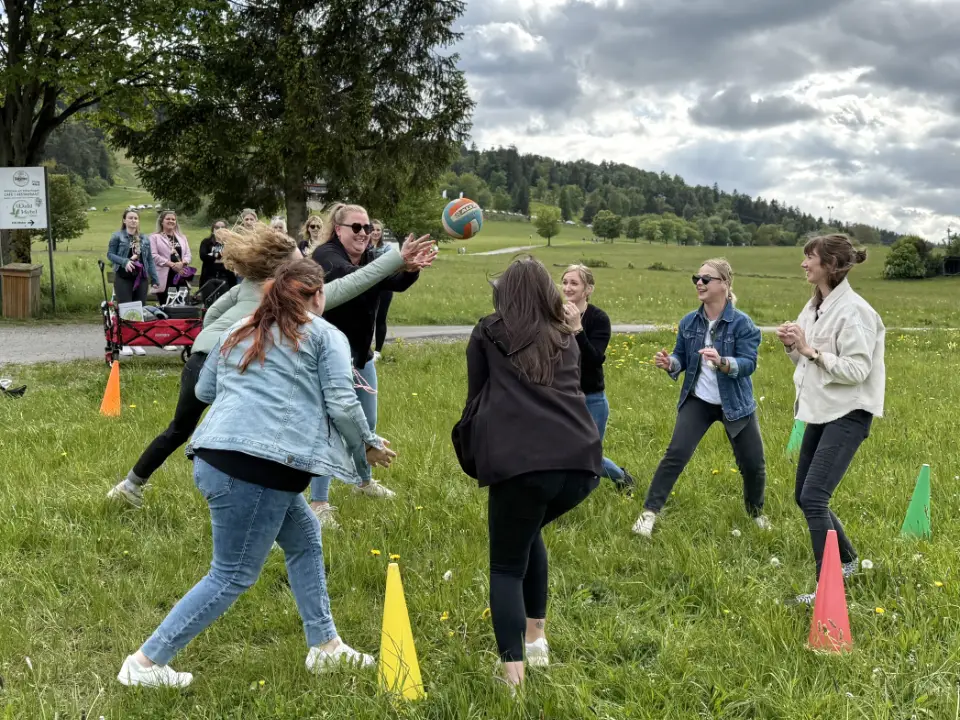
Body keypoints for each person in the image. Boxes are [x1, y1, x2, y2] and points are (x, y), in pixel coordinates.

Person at [116, 259, 394, 688]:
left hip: (216, 457)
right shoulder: (325, 335)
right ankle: (145, 663)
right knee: (231, 574)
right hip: (258, 468)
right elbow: (341, 402)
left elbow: (205, 390)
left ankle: (325, 647)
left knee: (305, 540)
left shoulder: (241, 328)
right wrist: (369, 446)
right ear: (318, 296)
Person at [107, 223, 436, 508]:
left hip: (200, 359)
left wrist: (215, 338)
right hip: (236, 363)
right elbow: (349, 285)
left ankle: (130, 485)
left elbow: (210, 316)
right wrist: (396, 258)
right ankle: (281, 497)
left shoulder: (245, 287)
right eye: (298, 259)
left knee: (179, 429)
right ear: (283, 270)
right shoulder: (287, 291)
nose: (306, 262)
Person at [458, 256, 601, 690]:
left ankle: (513, 679)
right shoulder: (566, 335)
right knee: (528, 529)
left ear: (503, 291)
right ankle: (536, 640)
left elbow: (475, 399)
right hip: (580, 466)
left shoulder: (488, 330)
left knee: (505, 568)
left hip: (521, 465)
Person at [776, 234, 884, 605]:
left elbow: (857, 370)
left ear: (832, 265)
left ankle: (828, 590)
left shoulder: (855, 311)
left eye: (811, 258)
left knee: (814, 497)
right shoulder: (815, 306)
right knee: (803, 496)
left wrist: (810, 349)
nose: (804, 264)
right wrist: (794, 346)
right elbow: (809, 362)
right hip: (822, 411)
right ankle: (849, 561)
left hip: (849, 413)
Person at [632, 258, 770, 538]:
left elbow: (749, 363)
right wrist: (669, 363)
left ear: (725, 285)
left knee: (753, 464)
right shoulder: (689, 322)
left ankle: (756, 513)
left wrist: (723, 362)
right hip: (698, 401)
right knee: (676, 454)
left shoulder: (743, 324)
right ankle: (648, 513)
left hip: (735, 403)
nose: (699, 282)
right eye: (697, 277)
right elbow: (680, 356)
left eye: (706, 279)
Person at [308, 203, 429, 519]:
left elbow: (395, 283)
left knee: (368, 427)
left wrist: (410, 268)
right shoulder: (326, 258)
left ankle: (363, 482)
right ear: (338, 229)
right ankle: (318, 502)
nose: (364, 233)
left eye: (367, 227)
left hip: (361, 357)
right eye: (356, 227)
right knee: (330, 429)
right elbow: (354, 279)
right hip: (328, 362)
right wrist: (393, 261)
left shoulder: (370, 258)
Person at [560, 264, 636, 491]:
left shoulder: (599, 318)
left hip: (591, 398)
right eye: (565, 282)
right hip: (562, 396)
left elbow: (594, 359)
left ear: (588, 289)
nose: (567, 287)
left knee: (588, 455)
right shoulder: (554, 314)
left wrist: (577, 328)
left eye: (574, 283)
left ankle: (623, 478)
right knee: (559, 450)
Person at [107, 209, 158, 357]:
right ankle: (125, 342)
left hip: (141, 278)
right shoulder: (117, 236)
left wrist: (154, 278)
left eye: (136, 218)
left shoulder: (144, 239)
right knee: (126, 309)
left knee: (138, 309)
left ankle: (136, 342)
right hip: (124, 278)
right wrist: (124, 261)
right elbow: (110, 255)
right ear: (124, 220)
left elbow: (149, 260)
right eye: (130, 218)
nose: (133, 220)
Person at [149, 210, 194, 308]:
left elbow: (188, 254)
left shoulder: (182, 237)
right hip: (165, 278)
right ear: (162, 221)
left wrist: (183, 263)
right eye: (168, 219)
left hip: (180, 276)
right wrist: (171, 264)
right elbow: (153, 255)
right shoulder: (154, 237)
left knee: (183, 307)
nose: (171, 221)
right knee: (167, 307)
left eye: (173, 219)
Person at [370, 220, 394, 360]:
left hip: (384, 287)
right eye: (373, 229)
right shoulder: (364, 247)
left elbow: (388, 264)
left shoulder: (386, 248)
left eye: (378, 230)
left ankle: (378, 351)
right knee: (368, 318)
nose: (376, 232)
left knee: (381, 317)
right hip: (369, 287)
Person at [198, 219, 237, 293]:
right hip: (209, 277)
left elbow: (232, 258)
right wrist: (221, 256)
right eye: (217, 227)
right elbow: (203, 256)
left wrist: (212, 255)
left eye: (222, 227)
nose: (220, 229)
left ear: (226, 229)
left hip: (227, 278)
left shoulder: (231, 243)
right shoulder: (206, 242)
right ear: (213, 229)